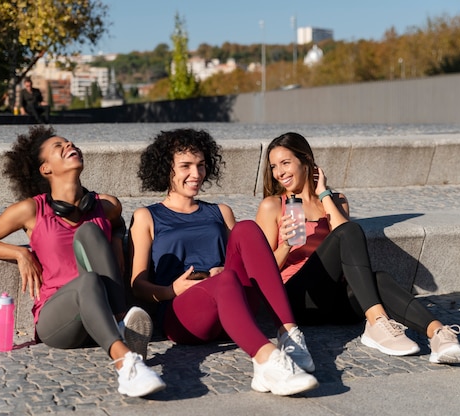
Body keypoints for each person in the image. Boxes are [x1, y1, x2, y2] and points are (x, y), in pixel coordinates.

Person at [0, 125, 165, 397]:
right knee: (89, 281)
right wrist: (20, 252)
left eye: (71, 143)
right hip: (59, 320)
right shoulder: (33, 210)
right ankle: (126, 363)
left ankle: (119, 324)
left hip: (101, 312)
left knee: (90, 232)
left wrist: (117, 240)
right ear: (46, 169)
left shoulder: (106, 206)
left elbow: (117, 224)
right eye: (59, 147)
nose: (70, 145)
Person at [128, 128, 319, 396]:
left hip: (234, 303)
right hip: (185, 314)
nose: (196, 174)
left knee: (247, 230)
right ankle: (267, 361)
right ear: (165, 168)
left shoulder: (220, 211)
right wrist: (172, 290)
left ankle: (289, 335)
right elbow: (137, 285)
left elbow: (247, 260)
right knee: (227, 278)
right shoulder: (147, 216)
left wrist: (285, 244)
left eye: (201, 166)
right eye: (185, 166)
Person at [255, 132, 460, 365]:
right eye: (274, 166)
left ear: (306, 160)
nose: (279, 172)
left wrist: (323, 194)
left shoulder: (336, 200)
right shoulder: (273, 206)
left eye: (285, 163)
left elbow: (347, 238)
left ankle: (439, 335)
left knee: (380, 278)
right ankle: (378, 322)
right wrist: (286, 245)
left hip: (337, 304)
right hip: (298, 298)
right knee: (350, 231)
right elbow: (260, 273)